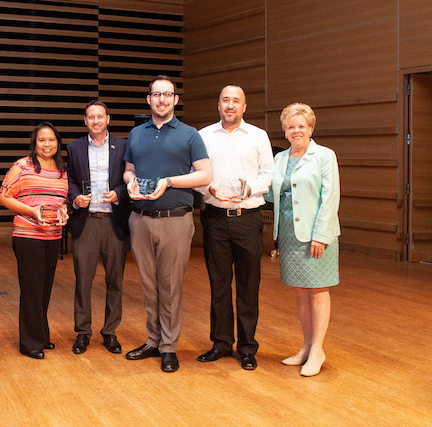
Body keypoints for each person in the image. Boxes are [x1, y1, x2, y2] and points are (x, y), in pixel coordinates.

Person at [123, 75, 212, 373]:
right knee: (148, 286)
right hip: (140, 220)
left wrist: (170, 182)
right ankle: (153, 340)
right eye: (156, 94)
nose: (161, 99)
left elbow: (204, 175)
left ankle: (169, 347)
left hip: (175, 221)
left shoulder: (190, 134)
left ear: (175, 100)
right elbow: (129, 171)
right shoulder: (136, 134)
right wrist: (130, 183)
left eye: (168, 94)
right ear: (148, 99)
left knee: (170, 286)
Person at [195, 84, 274, 371]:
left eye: (235, 101)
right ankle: (220, 343)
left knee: (248, 285)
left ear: (244, 106)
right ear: (218, 105)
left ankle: (247, 347)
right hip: (215, 218)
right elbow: (196, 172)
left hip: (248, 218)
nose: (230, 105)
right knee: (218, 284)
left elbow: (269, 173)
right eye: (225, 100)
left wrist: (250, 187)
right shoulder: (203, 136)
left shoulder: (258, 136)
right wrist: (208, 187)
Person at [265, 103, 340, 377]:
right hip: (288, 234)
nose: (296, 130)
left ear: (310, 129)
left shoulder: (324, 155)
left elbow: (330, 198)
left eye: (301, 126)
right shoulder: (280, 159)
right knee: (300, 291)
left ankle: (318, 350)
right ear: (285, 131)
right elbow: (273, 194)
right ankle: (307, 346)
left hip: (316, 235)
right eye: (290, 127)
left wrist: (321, 235)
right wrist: (247, 189)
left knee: (318, 290)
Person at [0, 122, 69, 359]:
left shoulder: (62, 169)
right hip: (27, 234)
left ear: (57, 142)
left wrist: (65, 211)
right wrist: (31, 211)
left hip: (53, 235)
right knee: (32, 289)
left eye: (51, 140)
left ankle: (41, 335)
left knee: (45, 288)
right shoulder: (22, 166)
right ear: (34, 143)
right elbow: (3, 196)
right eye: (41, 140)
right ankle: (29, 343)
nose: (47, 144)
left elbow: (62, 199)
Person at [66, 100, 131, 355]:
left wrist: (119, 192)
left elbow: (132, 179)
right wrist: (74, 197)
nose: (95, 121)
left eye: (100, 116)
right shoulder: (74, 148)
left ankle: (110, 332)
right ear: (85, 120)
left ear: (108, 119)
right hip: (87, 221)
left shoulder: (123, 146)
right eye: (90, 117)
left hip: (114, 221)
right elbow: (69, 180)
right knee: (83, 280)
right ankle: (83, 332)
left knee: (115, 280)